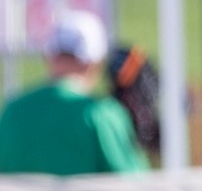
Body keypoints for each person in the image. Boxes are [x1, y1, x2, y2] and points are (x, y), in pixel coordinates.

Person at [0, 9, 149, 176]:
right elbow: (135, 185)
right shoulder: (101, 114)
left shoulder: (12, 112)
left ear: (51, 56)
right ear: (95, 62)